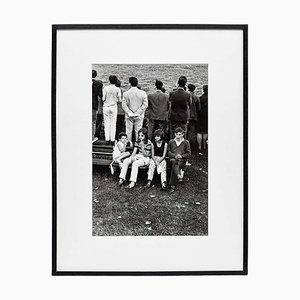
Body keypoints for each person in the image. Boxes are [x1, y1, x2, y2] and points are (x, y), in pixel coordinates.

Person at [122, 77, 148, 142]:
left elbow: (124, 105)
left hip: (129, 115)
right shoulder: (143, 93)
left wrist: (129, 112)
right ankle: (138, 144)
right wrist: (138, 112)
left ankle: (128, 143)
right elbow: (145, 104)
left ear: (129, 84)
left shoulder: (126, 93)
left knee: (128, 130)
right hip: (139, 115)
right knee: (138, 131)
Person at [167, 127, 191, 193]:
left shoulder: (186, 142)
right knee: (174, 162)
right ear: (175, 134)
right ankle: (178, 176)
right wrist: (174, 156)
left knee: (176, 164)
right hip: (172, 159)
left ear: (183, 134)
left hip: (181, 160)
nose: (178, 136)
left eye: (180, 134)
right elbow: (168, 152)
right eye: (177, 134)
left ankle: (172, 186)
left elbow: (189, 153)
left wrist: (181, 156)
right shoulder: (171, 142)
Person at [102, 75, 121, 143]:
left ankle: (107, 138)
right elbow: (119, 100)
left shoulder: (105, 88)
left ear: (109, 80)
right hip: (113, 106)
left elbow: (103, 99)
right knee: (113, 123)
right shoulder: (117, 89)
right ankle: (112, 139)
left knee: (106, 123)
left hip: (106, 106)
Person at [196, 84, 208, 155]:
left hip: (200, 116)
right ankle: (204, 146)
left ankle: (199, 147)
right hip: (207, 116)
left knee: (199, 132)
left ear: (203, 90)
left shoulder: (200, 98)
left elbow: (198, 108)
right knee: (206, 132)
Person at [92, 70, 103, 140]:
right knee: (93, 121)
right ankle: (92, 137)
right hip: (93, 105)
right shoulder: (98, 84)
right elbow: (101, 95)